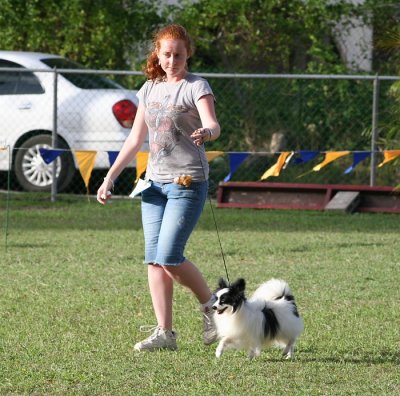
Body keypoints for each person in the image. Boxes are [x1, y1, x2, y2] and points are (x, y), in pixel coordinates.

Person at [97, 24, 221, 352]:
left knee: (169, 256)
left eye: (178, 54)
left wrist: (207, 133)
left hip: (187, 182)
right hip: (153, 185)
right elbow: (136, 139)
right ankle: (164, 334)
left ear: (187, 54)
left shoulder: (197, 86)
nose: (171, 60)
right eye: (166, 54)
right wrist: (110, 177)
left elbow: (214, 123)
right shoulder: (149, 88)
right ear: (158, 53)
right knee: (154, 259)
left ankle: (211, 308)